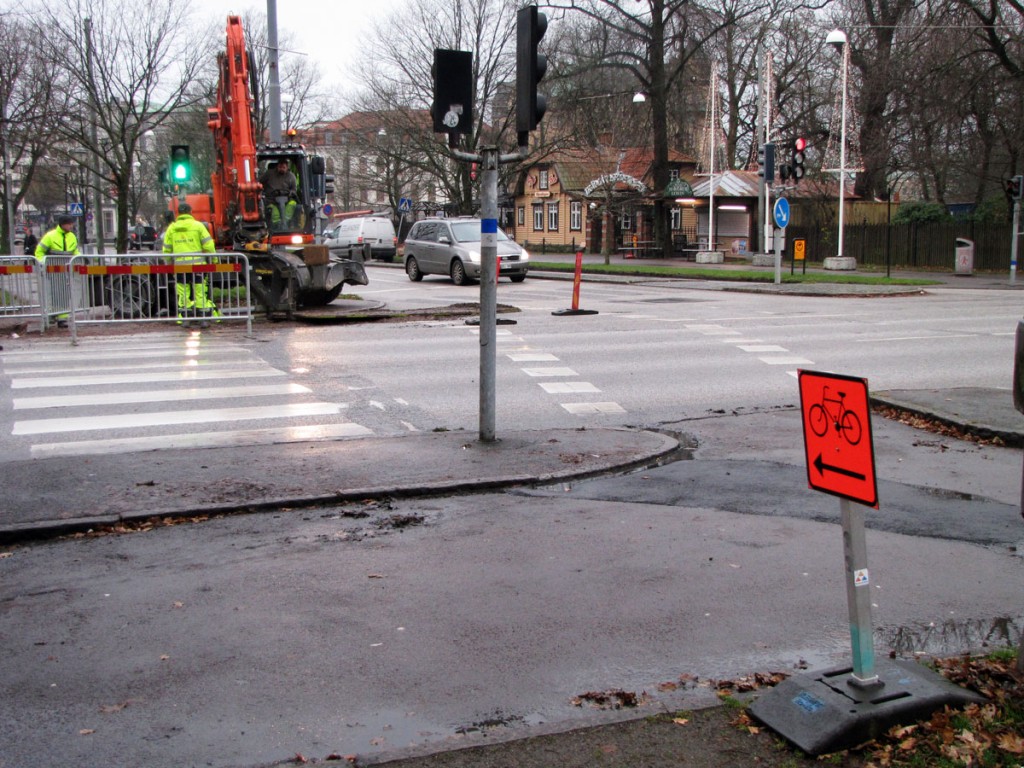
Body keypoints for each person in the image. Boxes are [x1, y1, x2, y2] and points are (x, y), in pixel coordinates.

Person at [162, 202, 219, 328]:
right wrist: (214, 260)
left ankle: (186, 319)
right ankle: (203, 319)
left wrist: (169, 264)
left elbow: (166, 249)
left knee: (183, 293)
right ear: (190, 212)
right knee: (200, 292)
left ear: (178, 213)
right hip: (197, 265)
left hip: (180, 266)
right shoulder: (198, 226)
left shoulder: (172, 228)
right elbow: (209, 245)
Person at [35, 215, 81, 328]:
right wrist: (43, 264)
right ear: (62, 224)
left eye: (72, 223)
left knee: (64, 294)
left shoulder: (72, 236)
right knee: (54, 293)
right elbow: (39, 252)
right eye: (69, 224)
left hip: (66, 270)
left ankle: (61, 317)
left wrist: (80, 259)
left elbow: (75, 251)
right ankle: (53, 315)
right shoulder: (50, 236)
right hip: (52, 269)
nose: (71, 226)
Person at [259, 159, 297, 228]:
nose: (281, 169)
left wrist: (291, 193)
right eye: (280, 167)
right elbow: (259, 184)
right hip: (271, 200)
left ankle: (288, 224)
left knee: (294, 204)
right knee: (272, 212)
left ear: (287, 167)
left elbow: (294, 189)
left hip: (286, 200)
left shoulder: (291, 176)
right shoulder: (269, 174)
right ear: (277, 167)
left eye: (283, 168)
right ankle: (275, 227)